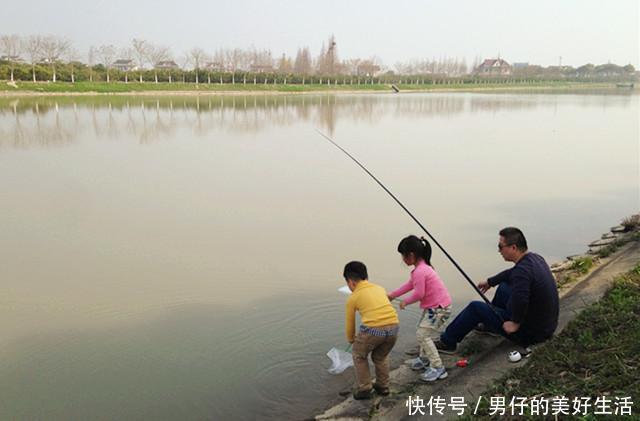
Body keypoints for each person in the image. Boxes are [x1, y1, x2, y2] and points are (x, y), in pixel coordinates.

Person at [435, 227, 559, 353]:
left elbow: (521, 300)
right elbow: (510, 274)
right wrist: (490, 282)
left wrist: (514, 324)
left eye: (501, 246)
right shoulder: (535, 258)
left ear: (513, 248)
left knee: (475, 308)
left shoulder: (521, 272)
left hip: (531, 334)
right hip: (545, 326)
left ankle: (448, 342)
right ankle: (491, 326)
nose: (499, 250)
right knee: (504, 286)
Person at [387, 235, 452, 382]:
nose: (402, 259)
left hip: (438, 309)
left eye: (403, 255)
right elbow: (410, 285)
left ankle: (438, 367)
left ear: (411, 255)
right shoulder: (422, 267)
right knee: (421, 331)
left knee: (423, 334)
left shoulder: (420, 271)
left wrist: (406, 302)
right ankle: (424, 359)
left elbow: (419, 293)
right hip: (436, 307)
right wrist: (392, 295)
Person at [343, 261, 399, 400]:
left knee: (359, 355)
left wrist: (351, 340)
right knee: (380, 357)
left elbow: (350, 323)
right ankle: (383, 386)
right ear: (365, 277)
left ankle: (365, 388)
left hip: (373, 330)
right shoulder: (380, 288)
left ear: (350, 282)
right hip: (393, 328)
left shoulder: (353, 298)